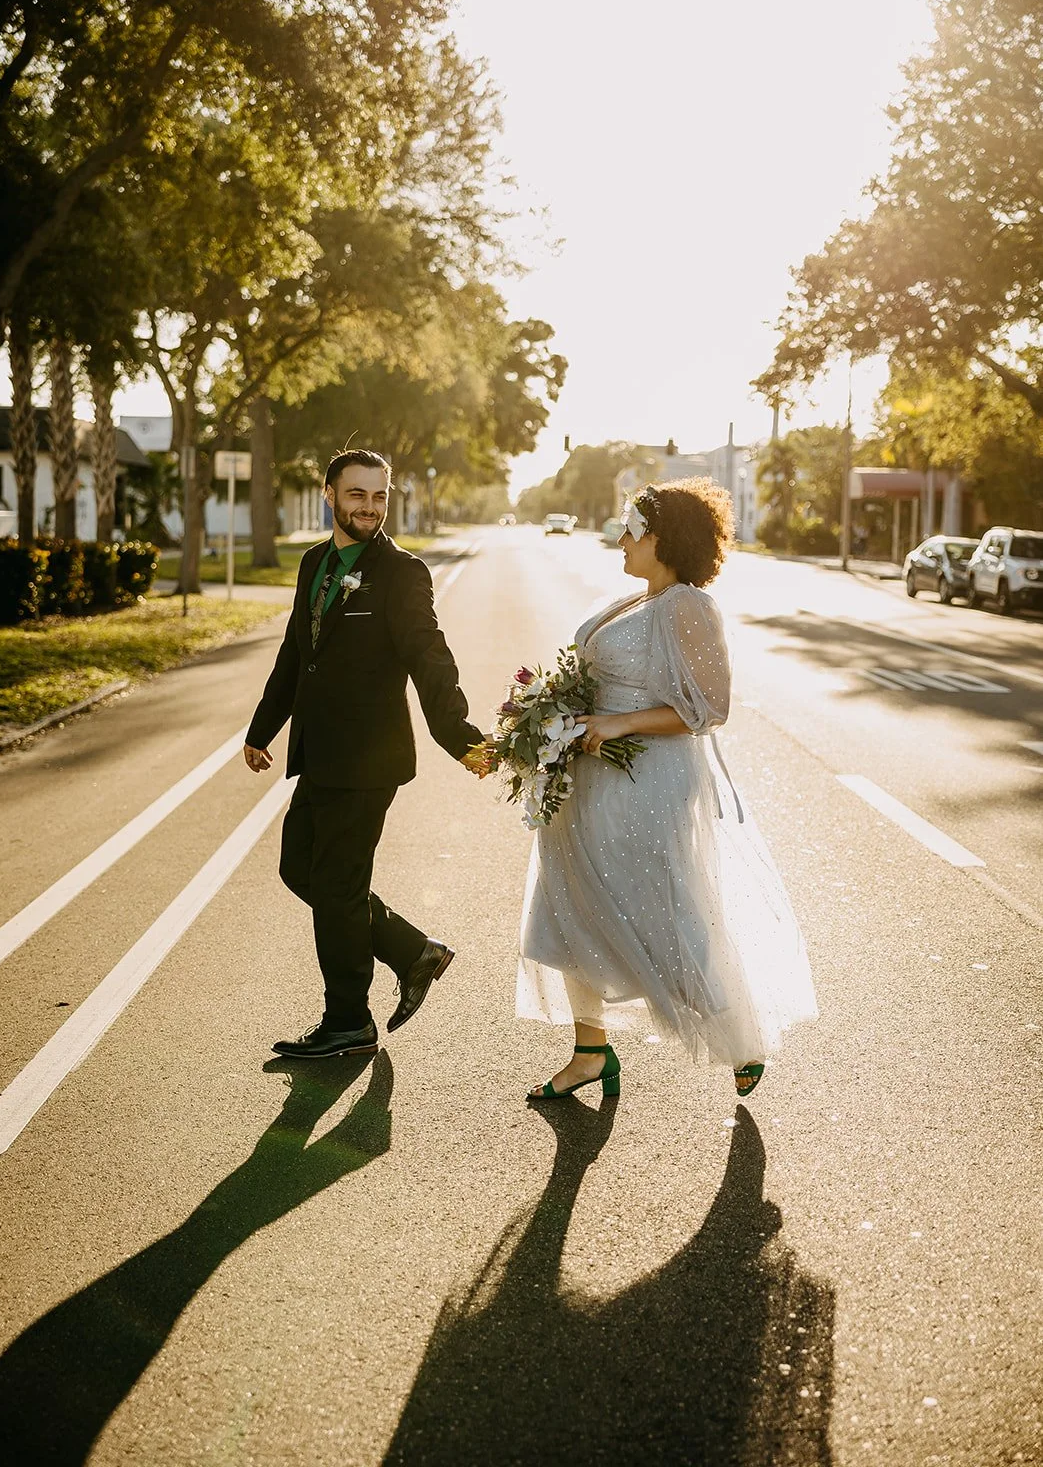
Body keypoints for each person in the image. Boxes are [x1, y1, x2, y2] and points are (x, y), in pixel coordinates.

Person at [517, 477, 817, 1100]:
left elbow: (711, 706)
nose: (621, 541)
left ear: (662, 538)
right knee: (572, 906)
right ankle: (589, 1051)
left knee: (662, 910)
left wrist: (619, 721)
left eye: (631, 530)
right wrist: (551, 715)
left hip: (647, 781)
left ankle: (740, 1034)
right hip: (590, 779)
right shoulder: (634, 601)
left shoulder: (687, 605)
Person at [244, 449, 488, 1060]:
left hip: (370, 757)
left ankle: (348, 1019)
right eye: (357, 495)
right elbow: (295, 654)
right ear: (329, 494)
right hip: (319, 752)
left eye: (379, 496)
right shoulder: (312, 563)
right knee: (301, 870)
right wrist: (262, 729)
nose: (370, 508)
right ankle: (412, 953)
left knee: (337, 883)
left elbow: (429, 657)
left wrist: (460, 738)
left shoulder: (402, 572)